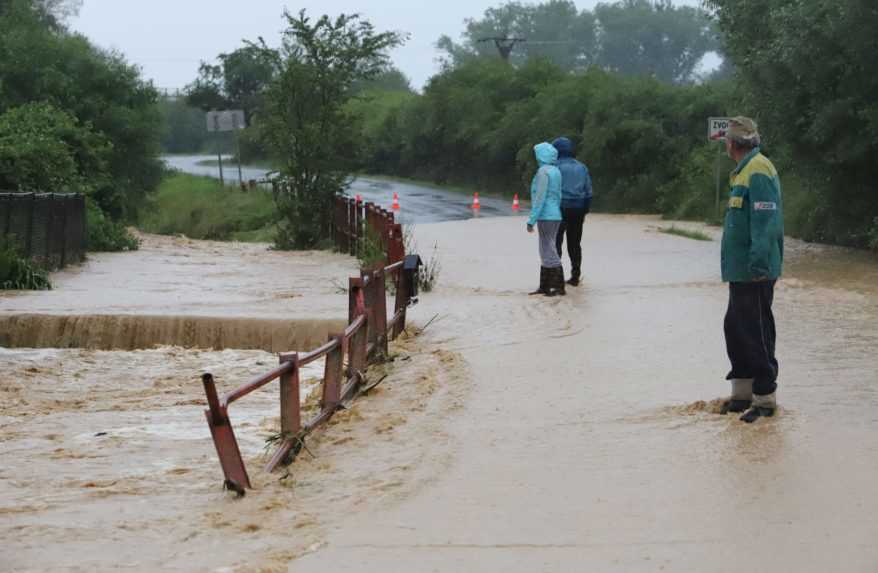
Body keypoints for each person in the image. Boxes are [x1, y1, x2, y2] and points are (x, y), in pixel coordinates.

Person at [719, 117, 784, 423]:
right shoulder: (744, 170)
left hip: (754, 270)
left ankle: (765, 398)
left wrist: (758, 265)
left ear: (731, 143)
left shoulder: (758, 170)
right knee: (735, 327)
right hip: (740, 270)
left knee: (756, 331)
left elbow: (765, 223)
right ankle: (742, 394)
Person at [552, 137, 593, 286]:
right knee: (575, 243)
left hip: (560, 209)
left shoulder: (554, 167)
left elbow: (552, 190)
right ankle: (575, 276)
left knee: (557, 242)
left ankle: (557, 277)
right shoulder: (582, 167)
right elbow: (589, 191)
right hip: (579, 209)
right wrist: (585, 209)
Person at [526, 142, 565, 297]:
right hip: (555, 214)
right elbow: (559, 195)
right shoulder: (556, 171)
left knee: (547, 248)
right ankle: (545, 286)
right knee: (547, 248)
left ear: (541, 155)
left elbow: (540, 197)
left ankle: (558, 286)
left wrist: (531, 220)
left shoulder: (543, 172)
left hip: (545, 215)